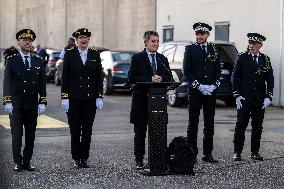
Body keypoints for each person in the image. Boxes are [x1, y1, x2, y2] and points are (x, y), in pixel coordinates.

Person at [3, 29, 47, 172]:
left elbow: (42, 83)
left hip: (32, 104)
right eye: (24, 40)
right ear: (19, 42)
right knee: (16, 135)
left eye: (29, 40)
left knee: (30, 135)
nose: (27, 42)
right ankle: (18, 161)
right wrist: (7, 101)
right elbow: (7, 82)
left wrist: (43, 101)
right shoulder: (12, 61)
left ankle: (27, 161)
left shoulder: (38, 61)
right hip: (16, 104)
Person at [128, 31, 173, 169]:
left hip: (158, 101)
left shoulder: (162, 58)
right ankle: (139, 160)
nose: (156, 44)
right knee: (140, 133)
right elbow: (132, 78)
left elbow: (169, 77)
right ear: (145, 43)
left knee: (157, 132)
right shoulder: (137, 58)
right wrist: (150, 79)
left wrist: (161, 79)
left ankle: (157, 160)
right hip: (141, 100)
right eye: (153, 41)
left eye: (158, 41)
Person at [61, 28, 104, 169]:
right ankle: (76, 157)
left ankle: (84, 157)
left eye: (86, 37)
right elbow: (65, 77)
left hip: (90, 99)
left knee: (87, 129)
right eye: (81, 38)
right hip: (74, 99)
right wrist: (65, 97)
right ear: (77, 40)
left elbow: (99, 77)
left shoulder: (95, 54)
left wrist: (99, 96)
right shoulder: (70, 54)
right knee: (74, 129)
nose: (84, 40)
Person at [232, 33, 274, 161]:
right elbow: (235, 77)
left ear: (260, 45)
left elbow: (270, 79)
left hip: (259, 100)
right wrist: (236, 95)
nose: (251, 46)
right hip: (244, 99)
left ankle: (254, 152)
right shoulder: (242, 57)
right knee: (241, 126)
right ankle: (237, 153)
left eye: (254, 44)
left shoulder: (265, 59)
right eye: (250, 43)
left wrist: (269, 96)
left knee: (257, 127)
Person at [183, 22, 221, 163]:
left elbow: (218, 69)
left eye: (202, 34)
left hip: (210, 92)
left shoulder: (214, 49)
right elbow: (187, 71)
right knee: (193, 123)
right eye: (197, 34)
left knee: (209, 123)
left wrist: (213, 86)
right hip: (196, 92)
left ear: (207, 35)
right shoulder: (190, 49)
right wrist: (198, 85)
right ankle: (192, 154)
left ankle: (207, 154)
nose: (199, 36)